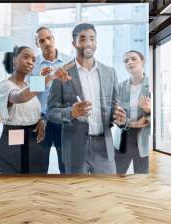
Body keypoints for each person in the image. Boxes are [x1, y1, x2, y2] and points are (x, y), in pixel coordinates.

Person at [47, 23, 126, 174]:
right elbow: (50, 112)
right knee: (78, 194)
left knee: (106, 192)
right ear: (74, 43)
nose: (88, 43)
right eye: (83, 39)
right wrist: (71, 113)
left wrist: (120, 119)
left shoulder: (110, 73)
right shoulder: (62, 73)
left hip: (104, 147)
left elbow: (117, 108)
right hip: (75, 147)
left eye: (92, 39)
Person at [0, 46, 71, 174]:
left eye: (33, 59)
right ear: (14, 60)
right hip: (14, 141)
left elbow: (31, 105)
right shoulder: (5, 85)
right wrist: (50, 77)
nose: (31, 61)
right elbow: (20, 97)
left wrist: (40, 120)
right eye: (26, 57)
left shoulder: (27, 85)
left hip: (34, 142)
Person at [30, 26, 70, 174]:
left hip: (63, 121)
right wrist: (41, 79)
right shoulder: (33, 65)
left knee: (65, 165)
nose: (46, 42)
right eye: (42, 40)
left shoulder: (68, 61)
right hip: (41, 122)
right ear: (37, 44)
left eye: (49, 38)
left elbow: (74, 91)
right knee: (40, 166)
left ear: (54, 38)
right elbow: (31, 94)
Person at [114, 50, 151, 174]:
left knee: (142, 176)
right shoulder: (119, 87)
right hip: (124, 137)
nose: (129, 62)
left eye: (133, 59)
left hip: (144, 137)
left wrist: (149, 111)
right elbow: (114, 113)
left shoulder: (151, 85)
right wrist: (131, 123)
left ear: (143, 62)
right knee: (116, 174)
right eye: (126, 61)